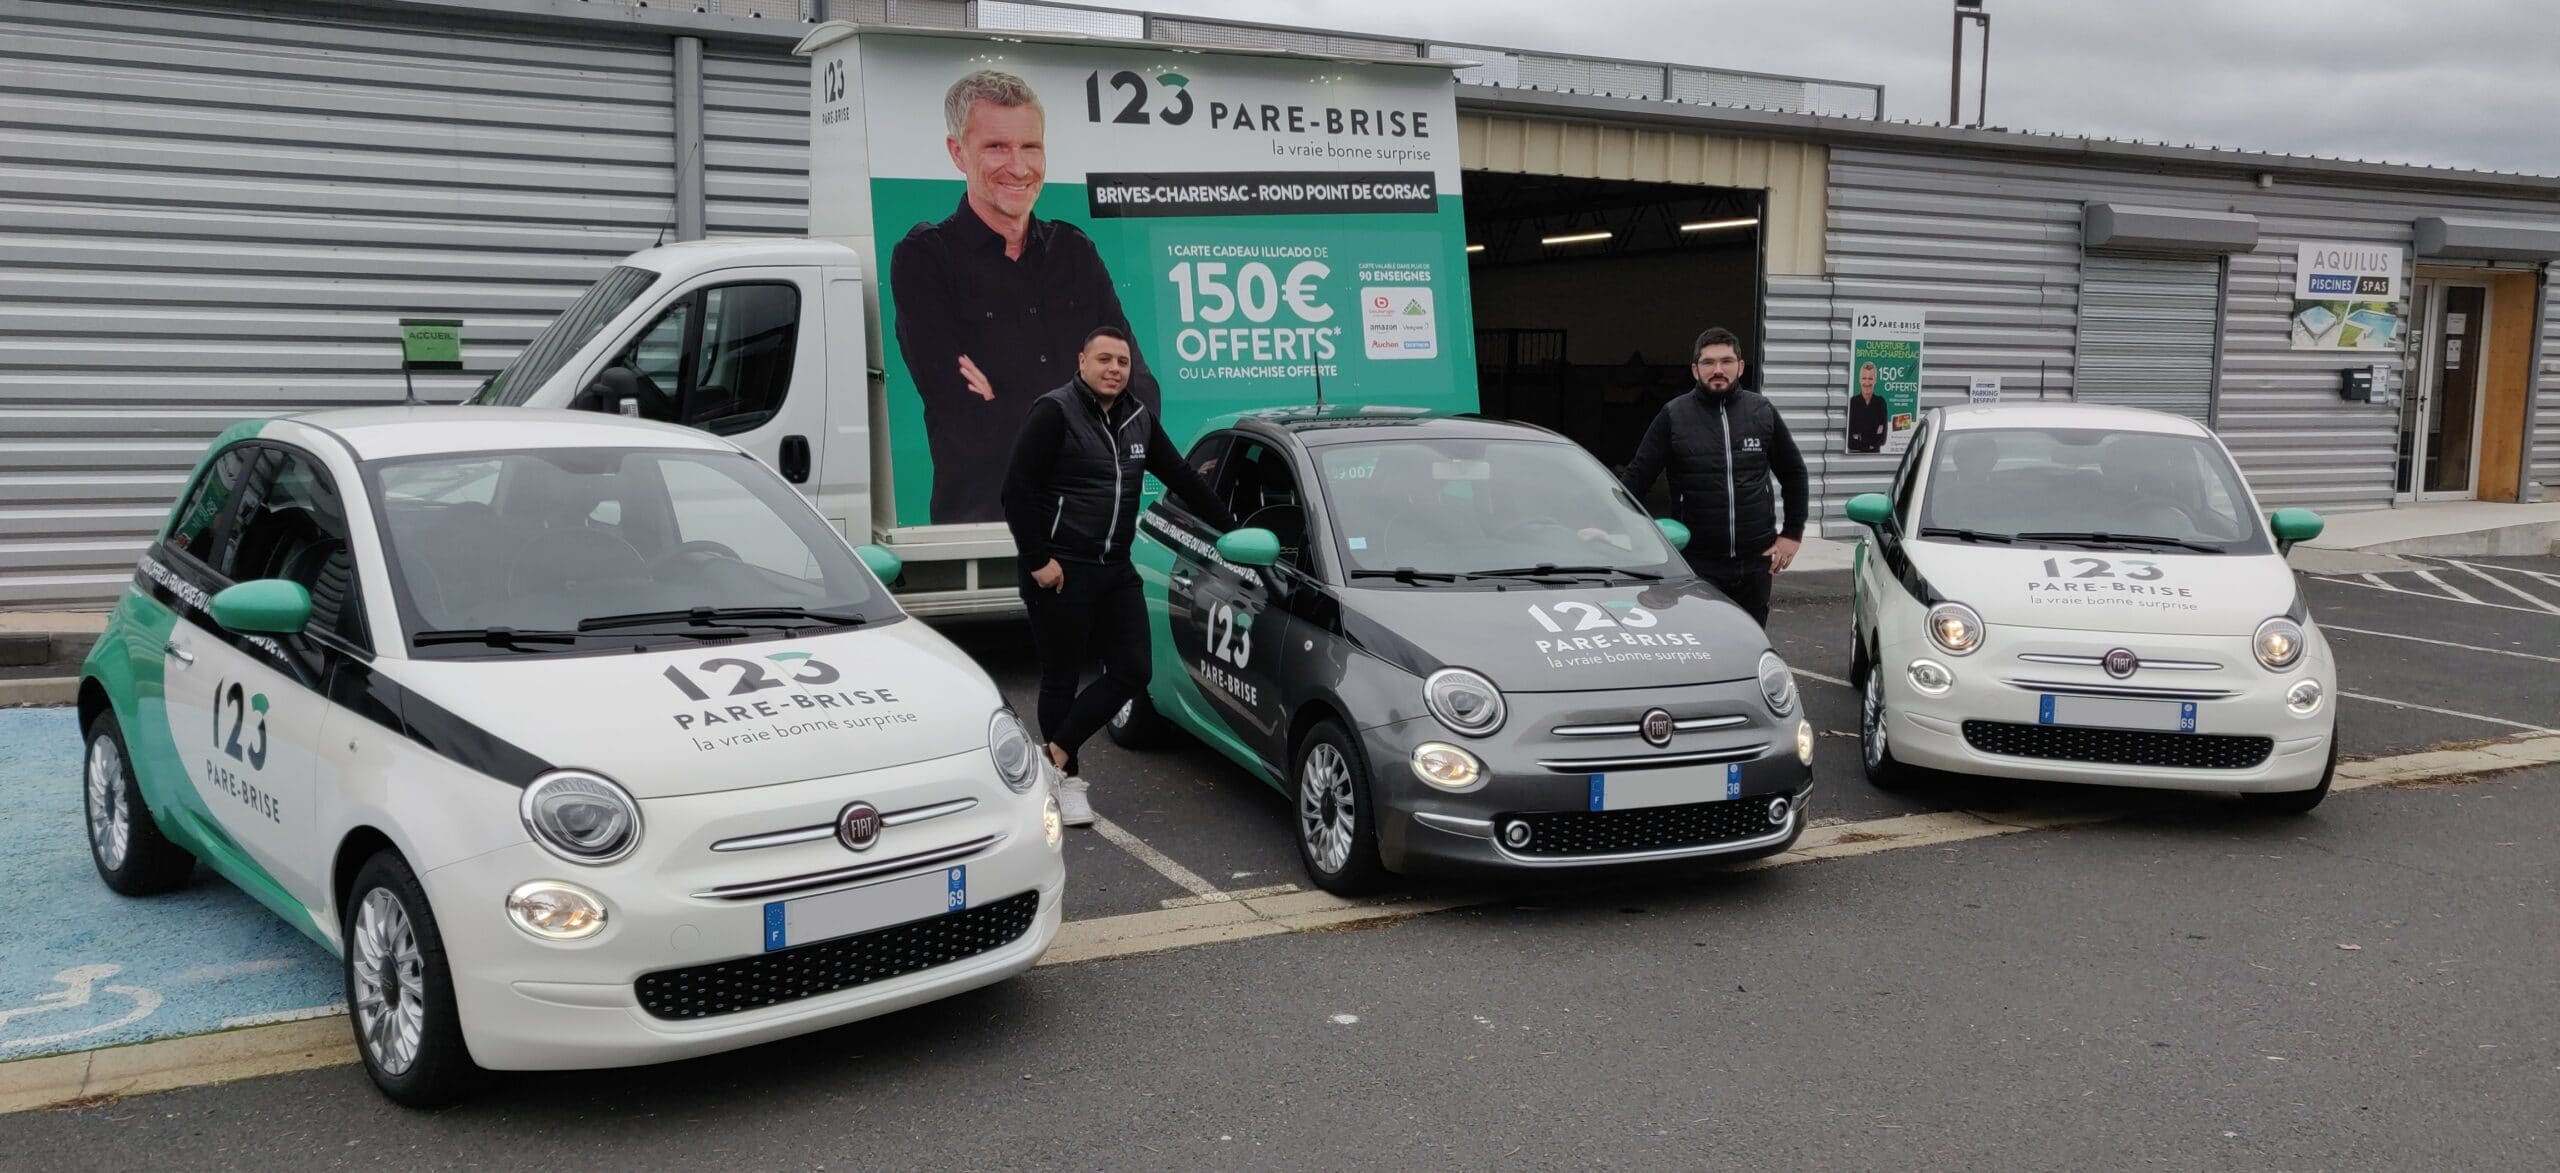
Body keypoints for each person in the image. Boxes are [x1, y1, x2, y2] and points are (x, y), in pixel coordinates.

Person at [891, 69, 1156, 525]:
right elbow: (965, 419)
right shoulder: (926, 260)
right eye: (996, 147)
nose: (1019, 167)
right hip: (985, 527)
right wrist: (1089, 416)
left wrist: (1007, 401)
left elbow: (1140, 391)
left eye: (1030, 147)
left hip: (1088, 531)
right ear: (958, 153)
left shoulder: (1075, 253)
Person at [1001, 326, 1236, 826]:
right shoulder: (1055, 412)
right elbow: (1016, 491)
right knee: (1061, 676)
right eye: (1104, 359)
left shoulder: (1137, 417)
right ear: (1081, 361)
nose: (1114, 369)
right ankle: (1066, 785)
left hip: (1114, 567)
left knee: (1134, 670)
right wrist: (1039, 560)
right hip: (1061, 569)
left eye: (1122, 362)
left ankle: (1055, 753)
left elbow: (1184, 478)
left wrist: (1231, 530)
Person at [1617, 327, 1809, 627]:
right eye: (1708, 362)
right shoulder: (1674, 416)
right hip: (1697, 563)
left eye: (1726, 361)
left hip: (1755, 562)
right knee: (1701, 645)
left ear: (1740, 367)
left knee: (1751, 644)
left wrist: (1792, 534)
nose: (1717, 370)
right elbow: (1636, 480)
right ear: (1695, 370)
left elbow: (1794, 473)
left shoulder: (1762, 412)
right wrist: (1615, 531)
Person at [1846, 360, 1889, 453]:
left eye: (1870, 378)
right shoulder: (1852, 403)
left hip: (1875, 456)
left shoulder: (1880, 403)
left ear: (1875, 380)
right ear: (1859, 379)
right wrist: (1872, 437)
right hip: (1854, 455)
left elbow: (1882, 439)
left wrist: (1859, 437)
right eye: (1864, 378)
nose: (1867, 382)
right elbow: (1849, 440)